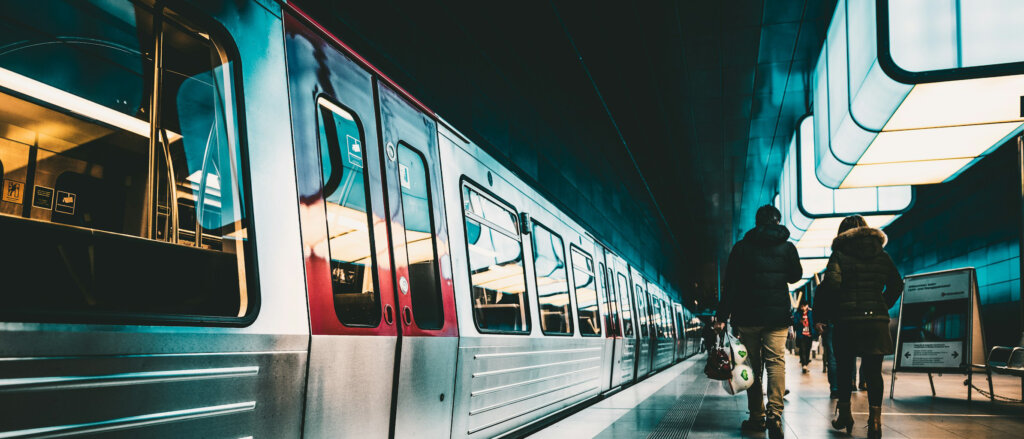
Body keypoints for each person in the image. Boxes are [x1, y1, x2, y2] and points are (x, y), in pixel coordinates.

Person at [715, 205, 801, 439]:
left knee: (753, 368)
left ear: (757, 222)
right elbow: (795, 276)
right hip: (777, 318)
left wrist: (722, 316)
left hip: (748, 317)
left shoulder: (742, 248)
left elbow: (730, 285)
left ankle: (756, 417)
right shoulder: (788, 247)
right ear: (778, 221)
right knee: (776, 363)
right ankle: (775, 414)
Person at [813, 215, 903, 439]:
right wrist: (882, 303)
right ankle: (875, 422)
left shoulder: (840, 255)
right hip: (876, 322)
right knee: (874, 373)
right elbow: (896, 284)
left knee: (844, 369)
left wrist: (831, 312)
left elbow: (832, 285)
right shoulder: (881, 254)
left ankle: (845, 415)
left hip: (848, 322)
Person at [791, 300, 816, 373]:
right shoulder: (797, 314)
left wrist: (814, 333)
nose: (803, 308)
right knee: (802, 350)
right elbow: (794, 324)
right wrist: (799, 322)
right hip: (801, 335)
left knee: (808, 349)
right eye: (802, 306)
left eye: (805, 306)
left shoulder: (811, 313)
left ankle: (806, 363)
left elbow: (813, 323)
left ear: (807, 306)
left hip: (809, 335)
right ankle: (804, 365)